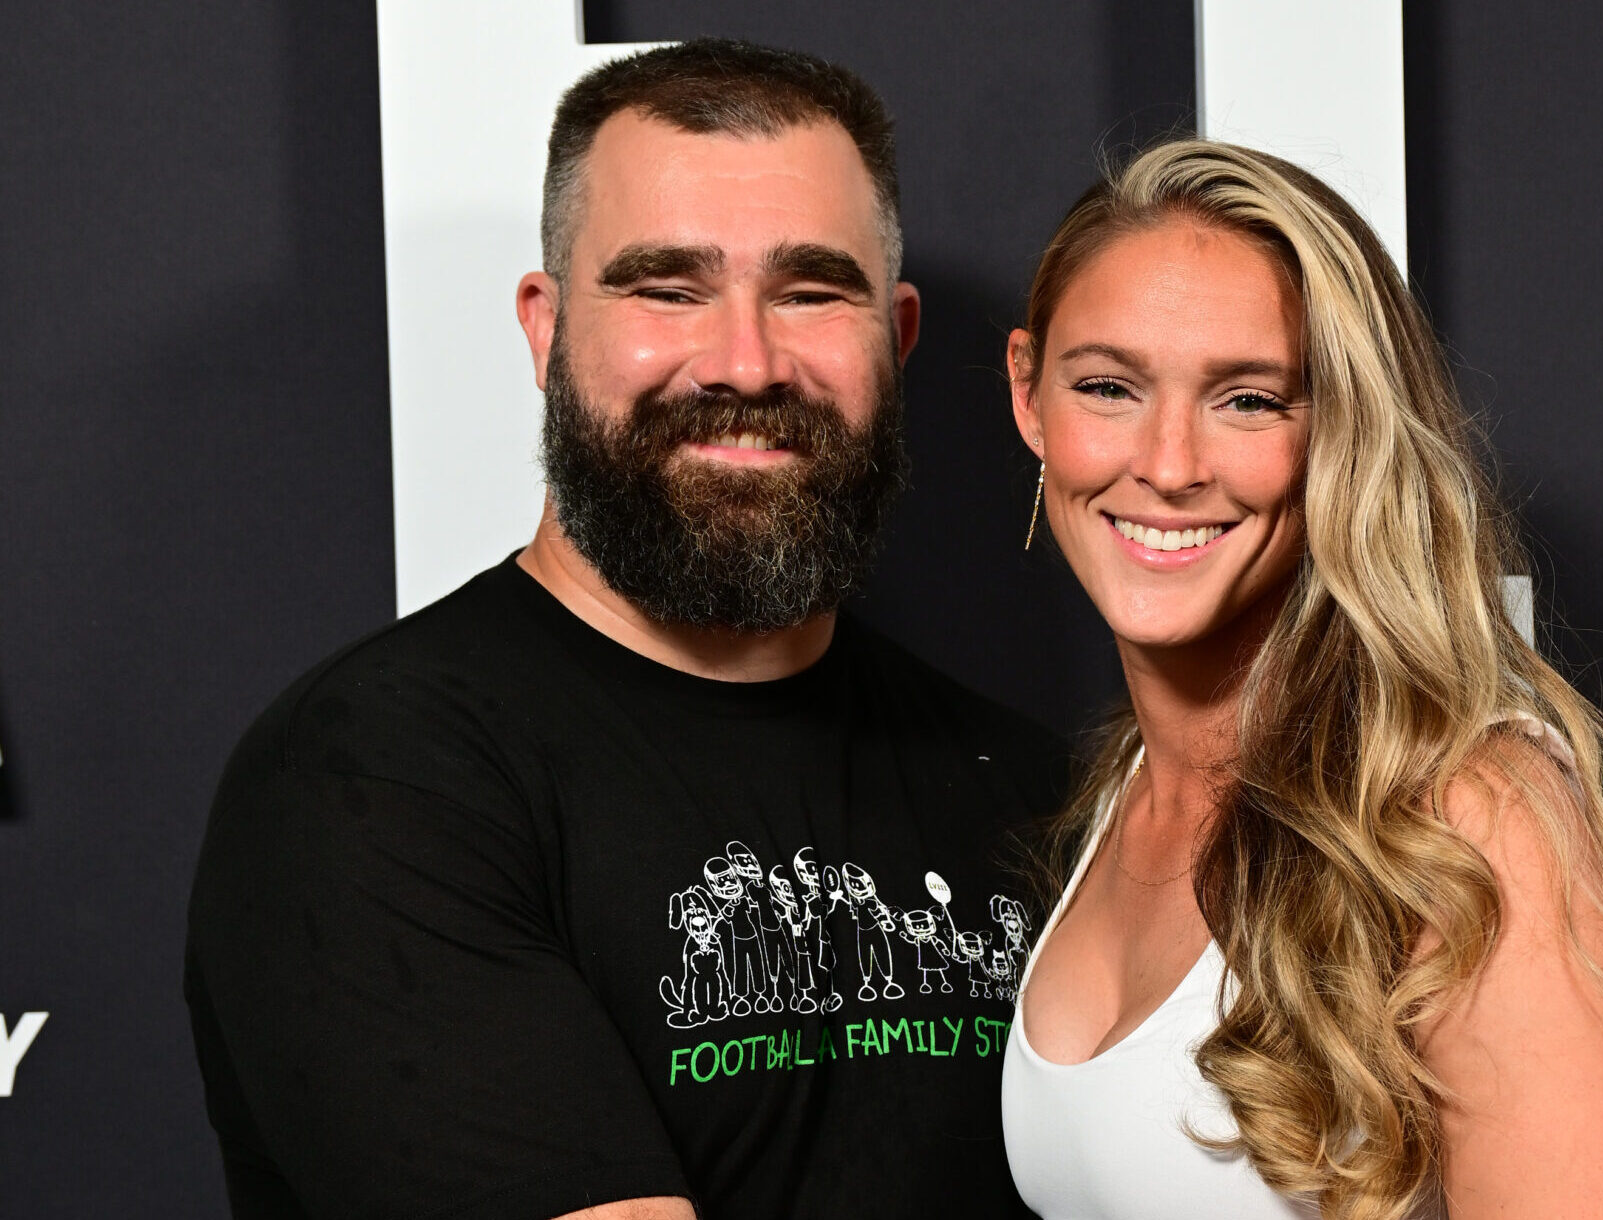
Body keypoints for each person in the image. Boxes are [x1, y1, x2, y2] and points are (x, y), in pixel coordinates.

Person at [185, 40, 1067, 1220]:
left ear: (894, 341)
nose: (745, 362)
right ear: (546, 331)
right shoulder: (372, 777)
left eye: (810, 290)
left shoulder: (1032, 783)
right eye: (666, 288)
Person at [998, 139, 1603, 1219]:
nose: (1164, 463)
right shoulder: (1122, 797)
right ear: (1029, 396)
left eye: (1247, 400)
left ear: (1344, 429)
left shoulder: (1468, 811)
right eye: (1107, 386)